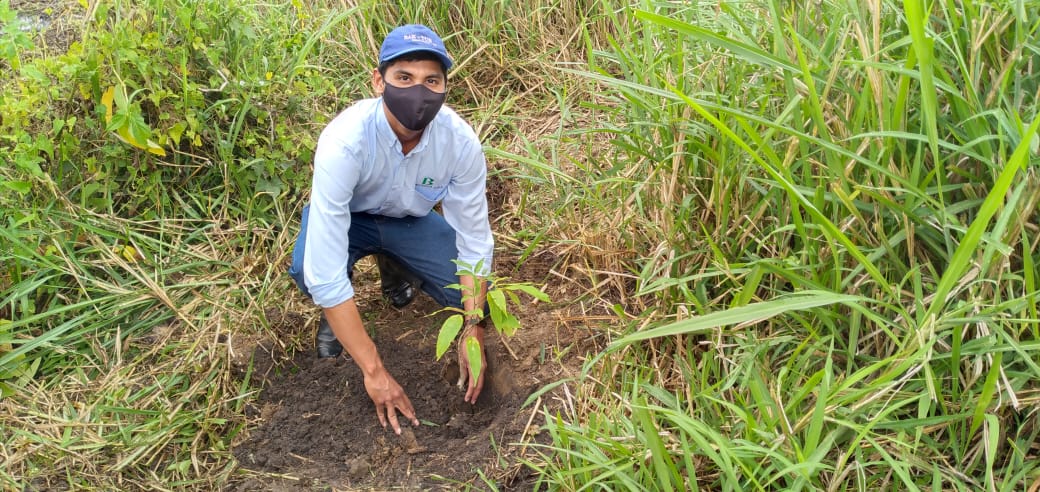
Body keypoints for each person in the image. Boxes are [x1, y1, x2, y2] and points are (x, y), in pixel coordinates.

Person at [287, 24, 493, 435]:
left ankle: (396, 265)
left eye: (431, 81)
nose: (419, 92)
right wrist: (374, 371)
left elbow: (473, 237)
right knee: (310, 271)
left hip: (410, 221)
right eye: (405, 78)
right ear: (379, 81)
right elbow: (324, 265)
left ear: (445, 88)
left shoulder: (460, 143)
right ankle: (339, 317)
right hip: (353, 221)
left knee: (470, 295)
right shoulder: (345, 141)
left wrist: (473, 328)